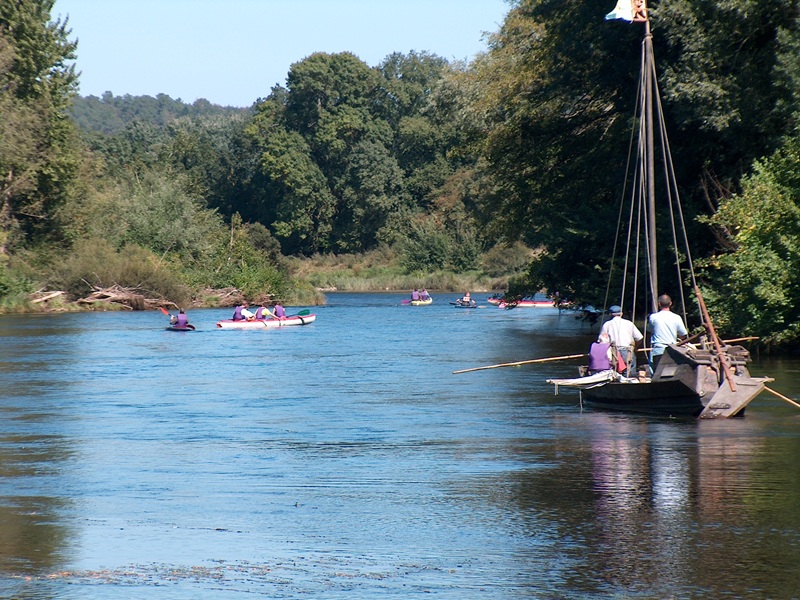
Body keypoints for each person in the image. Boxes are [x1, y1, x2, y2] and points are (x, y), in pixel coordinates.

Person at [601, 305, 643, 376]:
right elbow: (639, 338)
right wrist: (635, 347)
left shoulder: (607, 325)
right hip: (627, 351)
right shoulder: (629, 323)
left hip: (613, 352)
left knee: (614, 372)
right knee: (629, 371)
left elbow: (602, 341)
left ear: (610, 314)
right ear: (621, 314)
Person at [648, 294, 688, 370]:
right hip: (672, 349)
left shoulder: (653, 317)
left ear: (659, 303)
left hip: (658, 348)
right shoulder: (676, 317)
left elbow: (649, 330)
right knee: (670, 371)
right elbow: (683, 334)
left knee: (656, 371)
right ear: (670, 303)